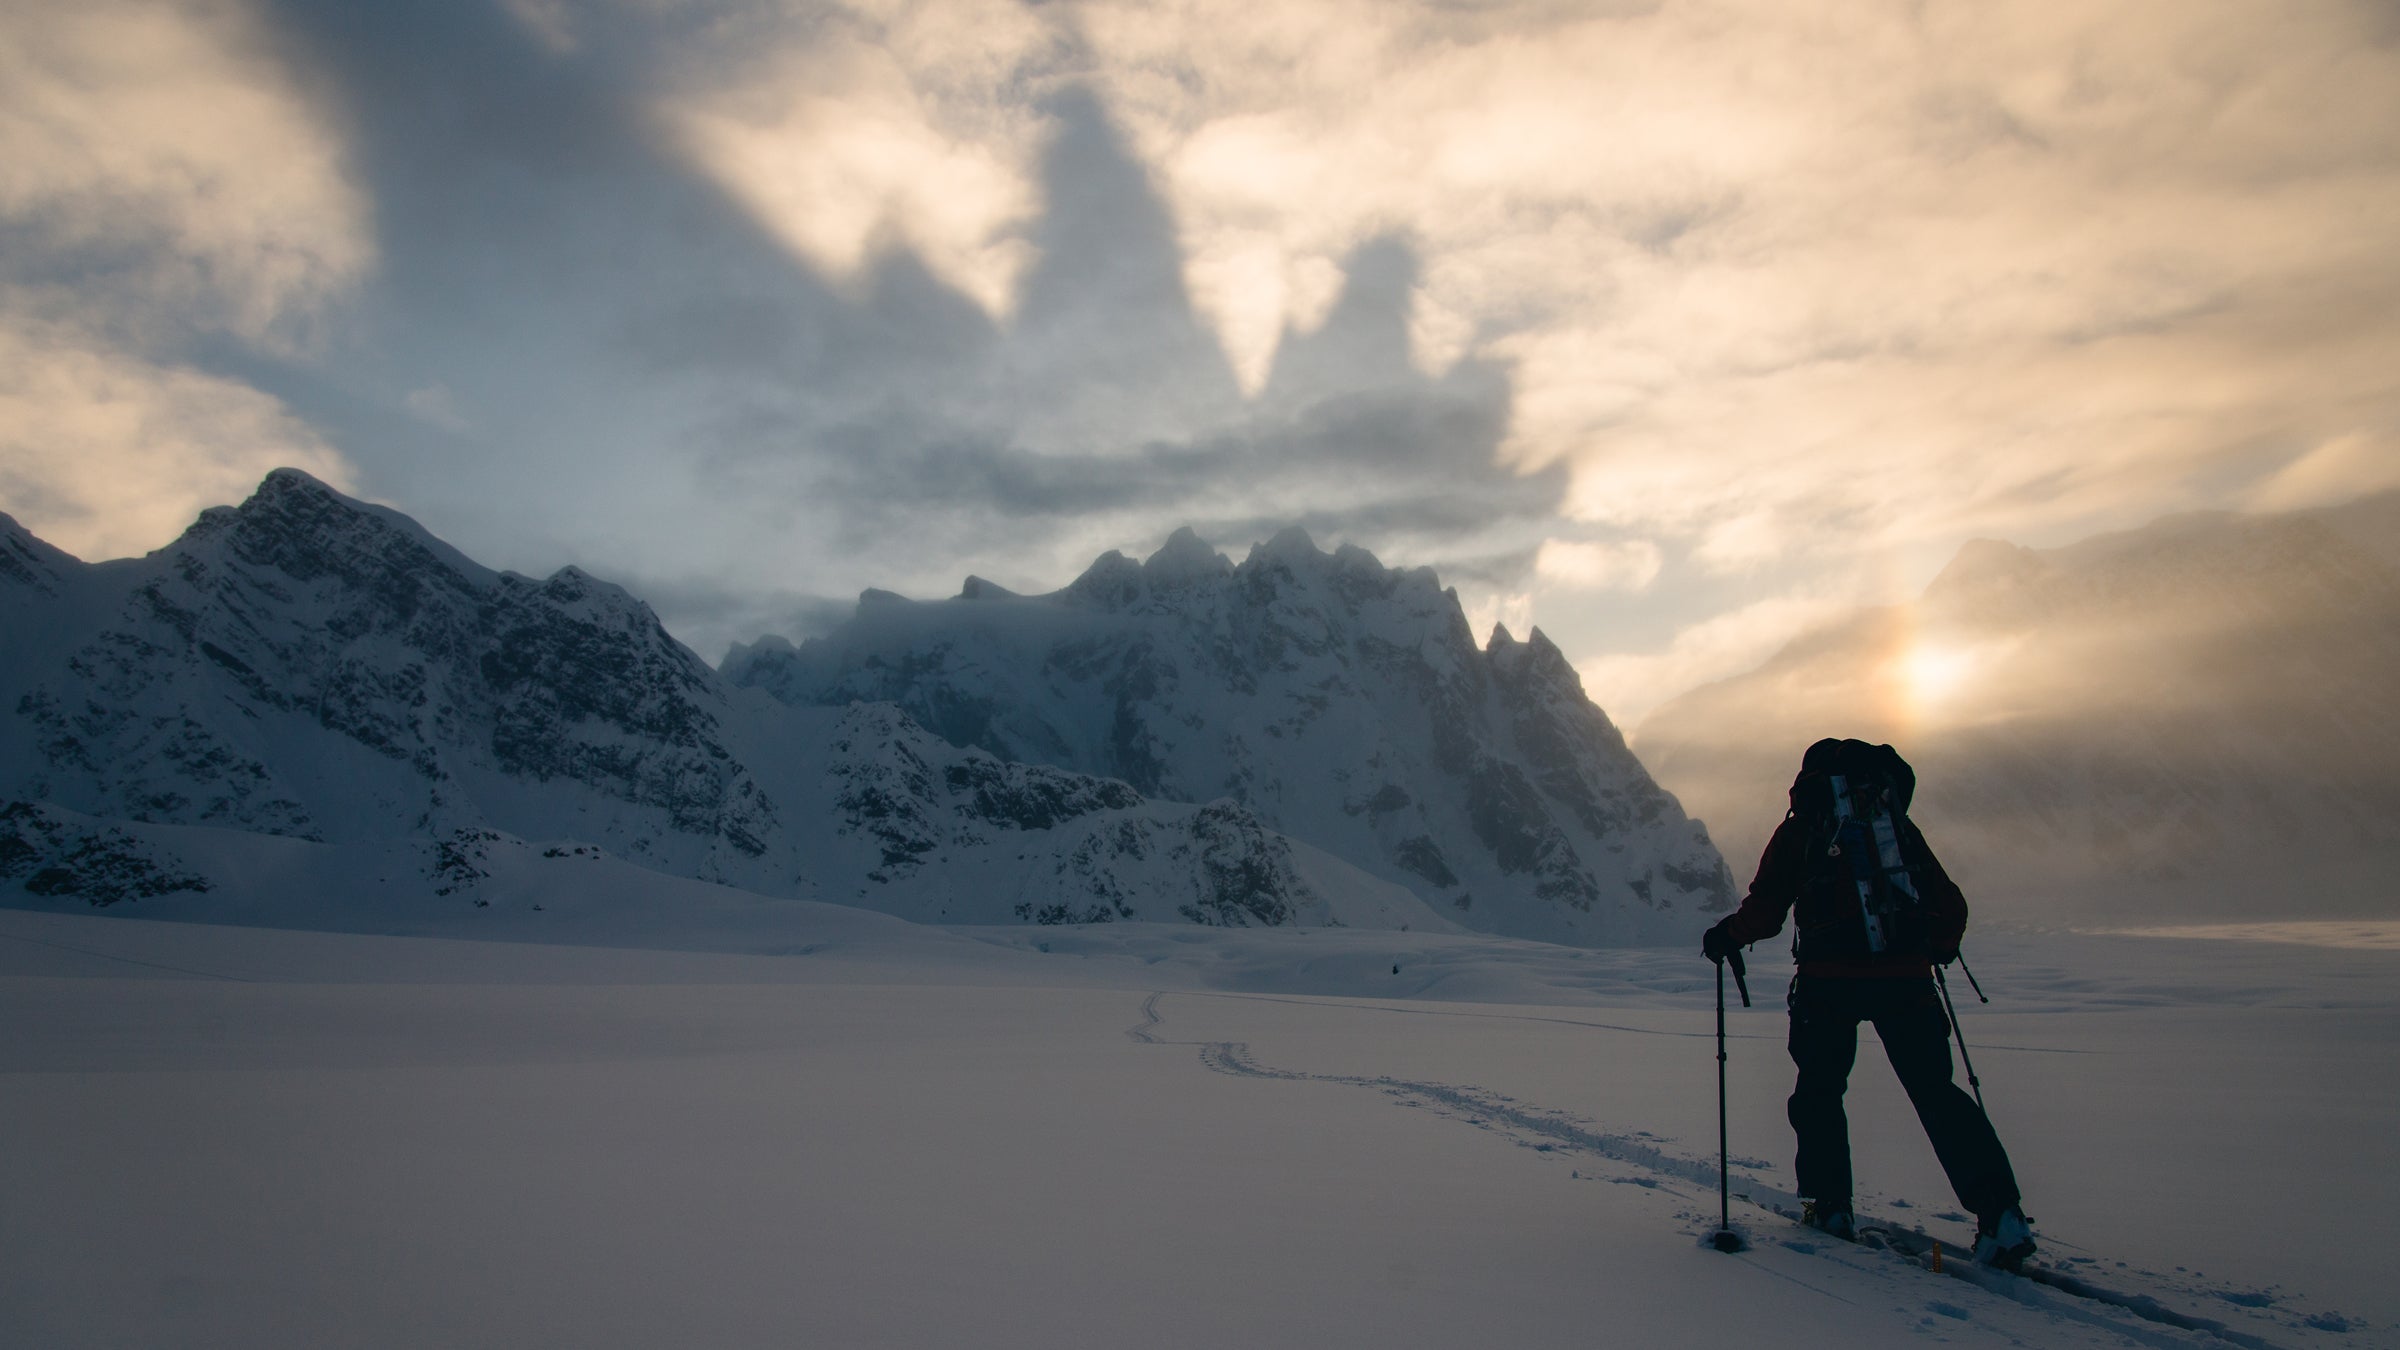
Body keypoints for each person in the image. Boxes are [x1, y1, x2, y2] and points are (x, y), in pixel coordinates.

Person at [1701, 737, 2036, 1269]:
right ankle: (2001, 1215)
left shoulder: (1802, 827)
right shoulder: (1894, 826)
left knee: (1820, 1092)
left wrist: (1727, 936)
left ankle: (1830, 1207)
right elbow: (1948, 903)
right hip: (1906, 980)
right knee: (1937, 1095)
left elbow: (1767, 912)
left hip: (1826, 983)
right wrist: (1938, 949)